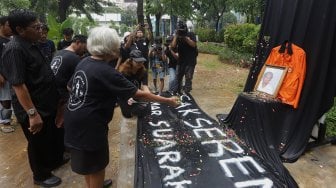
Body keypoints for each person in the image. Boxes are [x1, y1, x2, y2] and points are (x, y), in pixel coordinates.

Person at [63, 27, 179, 188]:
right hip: (90, 126)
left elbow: (70, 87)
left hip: (73, 119)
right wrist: (168, 101)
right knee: (96, 167)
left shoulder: (84, 62)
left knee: (89, 165)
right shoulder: (107, 71)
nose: (119, 47)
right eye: (116, 44)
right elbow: (141, 94)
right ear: (109, 47)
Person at [1, 9, 67, 187]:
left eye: (40, 26)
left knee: (49, 137)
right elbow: (18, 85)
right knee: (37, 142)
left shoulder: (32, 43)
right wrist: (32, 113)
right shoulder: (14, 50)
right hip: (33, 106)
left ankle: (53, 162)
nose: (40, 30)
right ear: (20, 29)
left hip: (46, 102)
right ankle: (40, 175)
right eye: (36, 27)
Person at [50, 34, 87, 128]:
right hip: (62, 96)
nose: (85, 50)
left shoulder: (59, 52)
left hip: (51, 93)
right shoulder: (74, 58)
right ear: (78, 42)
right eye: (84, 47)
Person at [171, 21, 198, 94]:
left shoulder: (191, 34)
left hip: (190, 61)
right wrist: (176, 35)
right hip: (181, 60)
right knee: (178, 77)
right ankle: (176, 91)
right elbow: (173, 46)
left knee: (188, 77)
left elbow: (193, 45)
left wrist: (185, 37)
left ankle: (187, 91)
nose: (181, 31)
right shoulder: (177, 36)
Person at [0, 15, 14, 133]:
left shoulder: (11, 40)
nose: (11, 28)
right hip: (3, 75)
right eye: (9, 26)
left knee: (10, 99)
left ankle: (8, 118)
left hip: (12, 74)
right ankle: (5, 123)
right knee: (6, 100)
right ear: (1, 26)